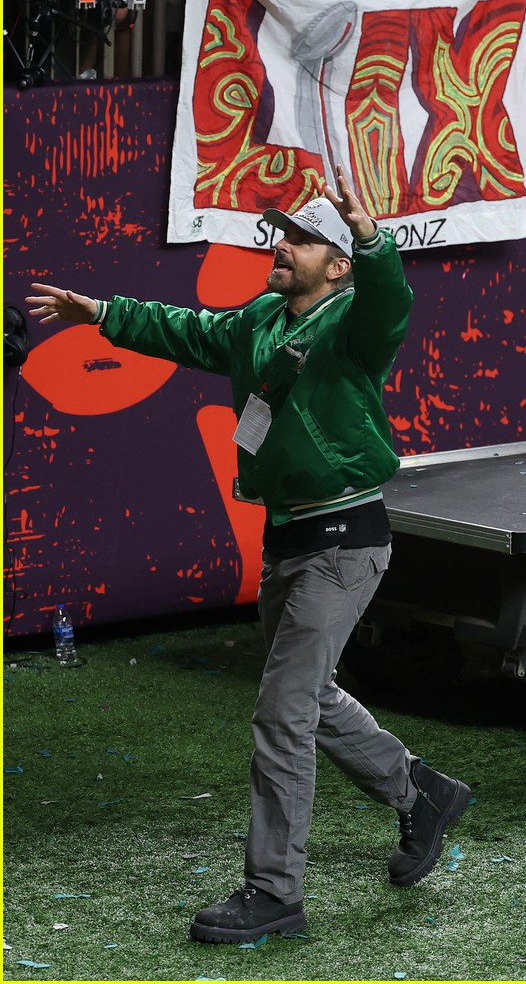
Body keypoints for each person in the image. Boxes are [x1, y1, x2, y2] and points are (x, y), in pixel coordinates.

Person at [25, 171, 472, 945]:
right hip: (290, 537)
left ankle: (274, 894)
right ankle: (420, 792)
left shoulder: (354, 323)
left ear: (336, 266)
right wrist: (98, 312)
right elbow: (189, 332)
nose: (282, 243)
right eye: (283, 232)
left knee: (283, 711)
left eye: (301, 238)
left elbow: (390, 302)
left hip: (344, 540)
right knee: (305, 697)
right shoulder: (265, 315)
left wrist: (372, 240)